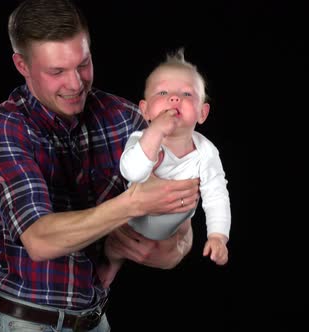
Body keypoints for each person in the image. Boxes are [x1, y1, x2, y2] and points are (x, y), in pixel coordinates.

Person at [0, 0, 200, 331]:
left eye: (83, 64)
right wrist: (130, 205)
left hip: (96, 319)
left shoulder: (125, 118)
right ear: (22, 65)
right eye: (56, 72)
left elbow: (181, 218)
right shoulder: (4, 128)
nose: (76, 83)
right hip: (24, 321)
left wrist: (173, 246)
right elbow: (39, 240)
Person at [97, 48, 231, 288]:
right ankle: (112, 262)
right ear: (145, 110)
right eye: (163, 92)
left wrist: (218, 236)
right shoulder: (141, 139)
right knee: (117, 245)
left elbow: (217, 195)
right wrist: (155, 133)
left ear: (202, 112)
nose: (174, 98)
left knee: (165, 251)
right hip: (131, 221)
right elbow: (131, 172)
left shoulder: (206, 152)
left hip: (172, 230)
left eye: (187, 94)